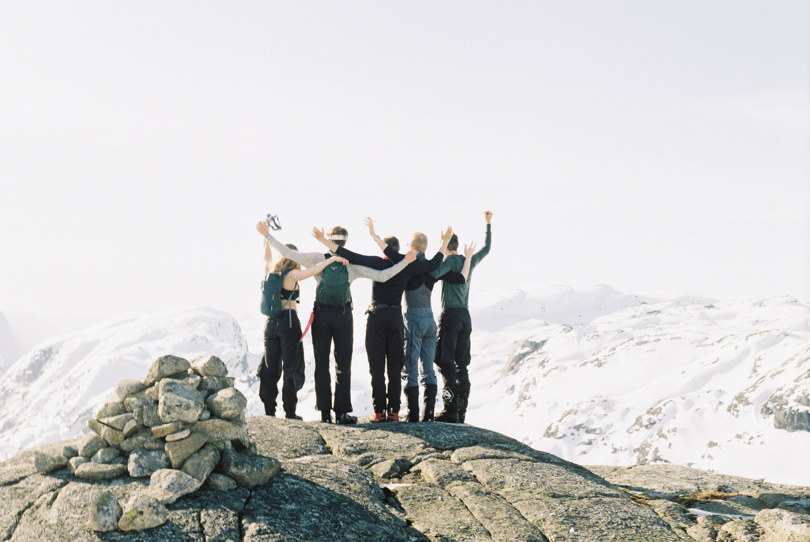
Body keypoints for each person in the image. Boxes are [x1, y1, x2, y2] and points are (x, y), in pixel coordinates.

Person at [255, 220, 415, 424]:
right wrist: (405, 262)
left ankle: (324, 413)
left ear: (328, 240)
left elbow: (289, 254)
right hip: (343, 316)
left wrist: (268, 236)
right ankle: (341, 413)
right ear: (345, 241)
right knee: (343, 364)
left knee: (321, 364)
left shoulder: (316, 258)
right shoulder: (352, 264)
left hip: (321, 315)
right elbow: (383, 276)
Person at [313, 221, 452, 422]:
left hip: (376, 318)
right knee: (395, 367)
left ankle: (379, 412)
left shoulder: (378, 262)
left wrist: (326, 241)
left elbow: (352, 256)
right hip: (396, 318)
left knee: (376, 368)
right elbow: (433, 265)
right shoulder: (408, 267)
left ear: (385, 251)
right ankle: (394, 412)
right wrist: (443, 244)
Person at [363, 221, 473, 422]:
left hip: (413, 318)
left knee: (411, 365)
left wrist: (375, 236)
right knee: (428, 367)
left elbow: (390, 254)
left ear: (412, 247)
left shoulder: (407, 265)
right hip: (430, 321)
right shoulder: (433, 267)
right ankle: (428, 413)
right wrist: (466, 258)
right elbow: (460, 278)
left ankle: (413, 414)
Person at [256, 235, 347, 420]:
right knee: (291, 366)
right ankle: (289, 411)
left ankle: (269, 410)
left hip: (270, 324)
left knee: (270, 366)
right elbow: (313, 270)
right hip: (288, 322)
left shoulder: (270, 273)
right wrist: (333, 259)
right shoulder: (292, 275)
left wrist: (266, 245)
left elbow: (267, 259)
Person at [429, 210, 493, 423]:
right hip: (466, 315)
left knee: (445, 361)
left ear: (446, 244)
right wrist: (488, 224)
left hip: (450, 315)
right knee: (461, 364)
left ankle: (450, 409)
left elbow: (432, 274)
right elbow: (487, 249)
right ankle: (461, 410)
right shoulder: (469, 261)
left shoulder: (447, 263)